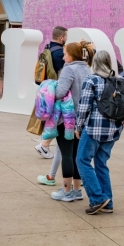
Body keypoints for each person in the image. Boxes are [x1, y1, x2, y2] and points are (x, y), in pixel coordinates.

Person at [75, 50, 124, 214]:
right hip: (114, 130)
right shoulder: (119, 81)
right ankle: (108, 203)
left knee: (82, 160)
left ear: (94, 63)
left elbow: (84, 107)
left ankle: (98, 199)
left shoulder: (92, 80)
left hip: (94, 128)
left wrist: (78, 126)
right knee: (101, 163)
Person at [50, 41, 93, 202]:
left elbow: (60, 92)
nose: (63, 56)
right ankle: (77, 190)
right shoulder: (87, 69)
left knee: (66, 153)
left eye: (65, 53)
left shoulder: (69, 69)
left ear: (72, 55)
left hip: (67, 118)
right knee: (77, 155)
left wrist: (49, 88)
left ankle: (66, 191)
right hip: (84, 119)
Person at [33, 26, 67, 165]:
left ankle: (45, 143)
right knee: (61, 120)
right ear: (61, 37)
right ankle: (45, 144)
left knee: (55, 119)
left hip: (46, 89)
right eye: (66, 37)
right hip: (57, 90)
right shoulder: (60, 53)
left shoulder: (47, 49)